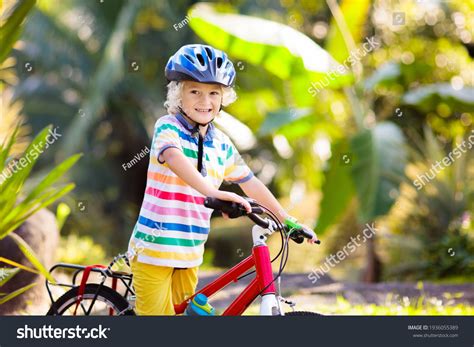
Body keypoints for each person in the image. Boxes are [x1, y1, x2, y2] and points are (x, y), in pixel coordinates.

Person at [127, 44, 319, 315]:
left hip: (190, 254)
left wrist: (288, 220)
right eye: (195, 91)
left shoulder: (222, 144)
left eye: (213, 93)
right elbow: (174, 159)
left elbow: (250, 183)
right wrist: (214, 194)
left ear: (223, 98)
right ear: (178, 94)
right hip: (154, 250)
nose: (205, 101)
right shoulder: (167, 127)